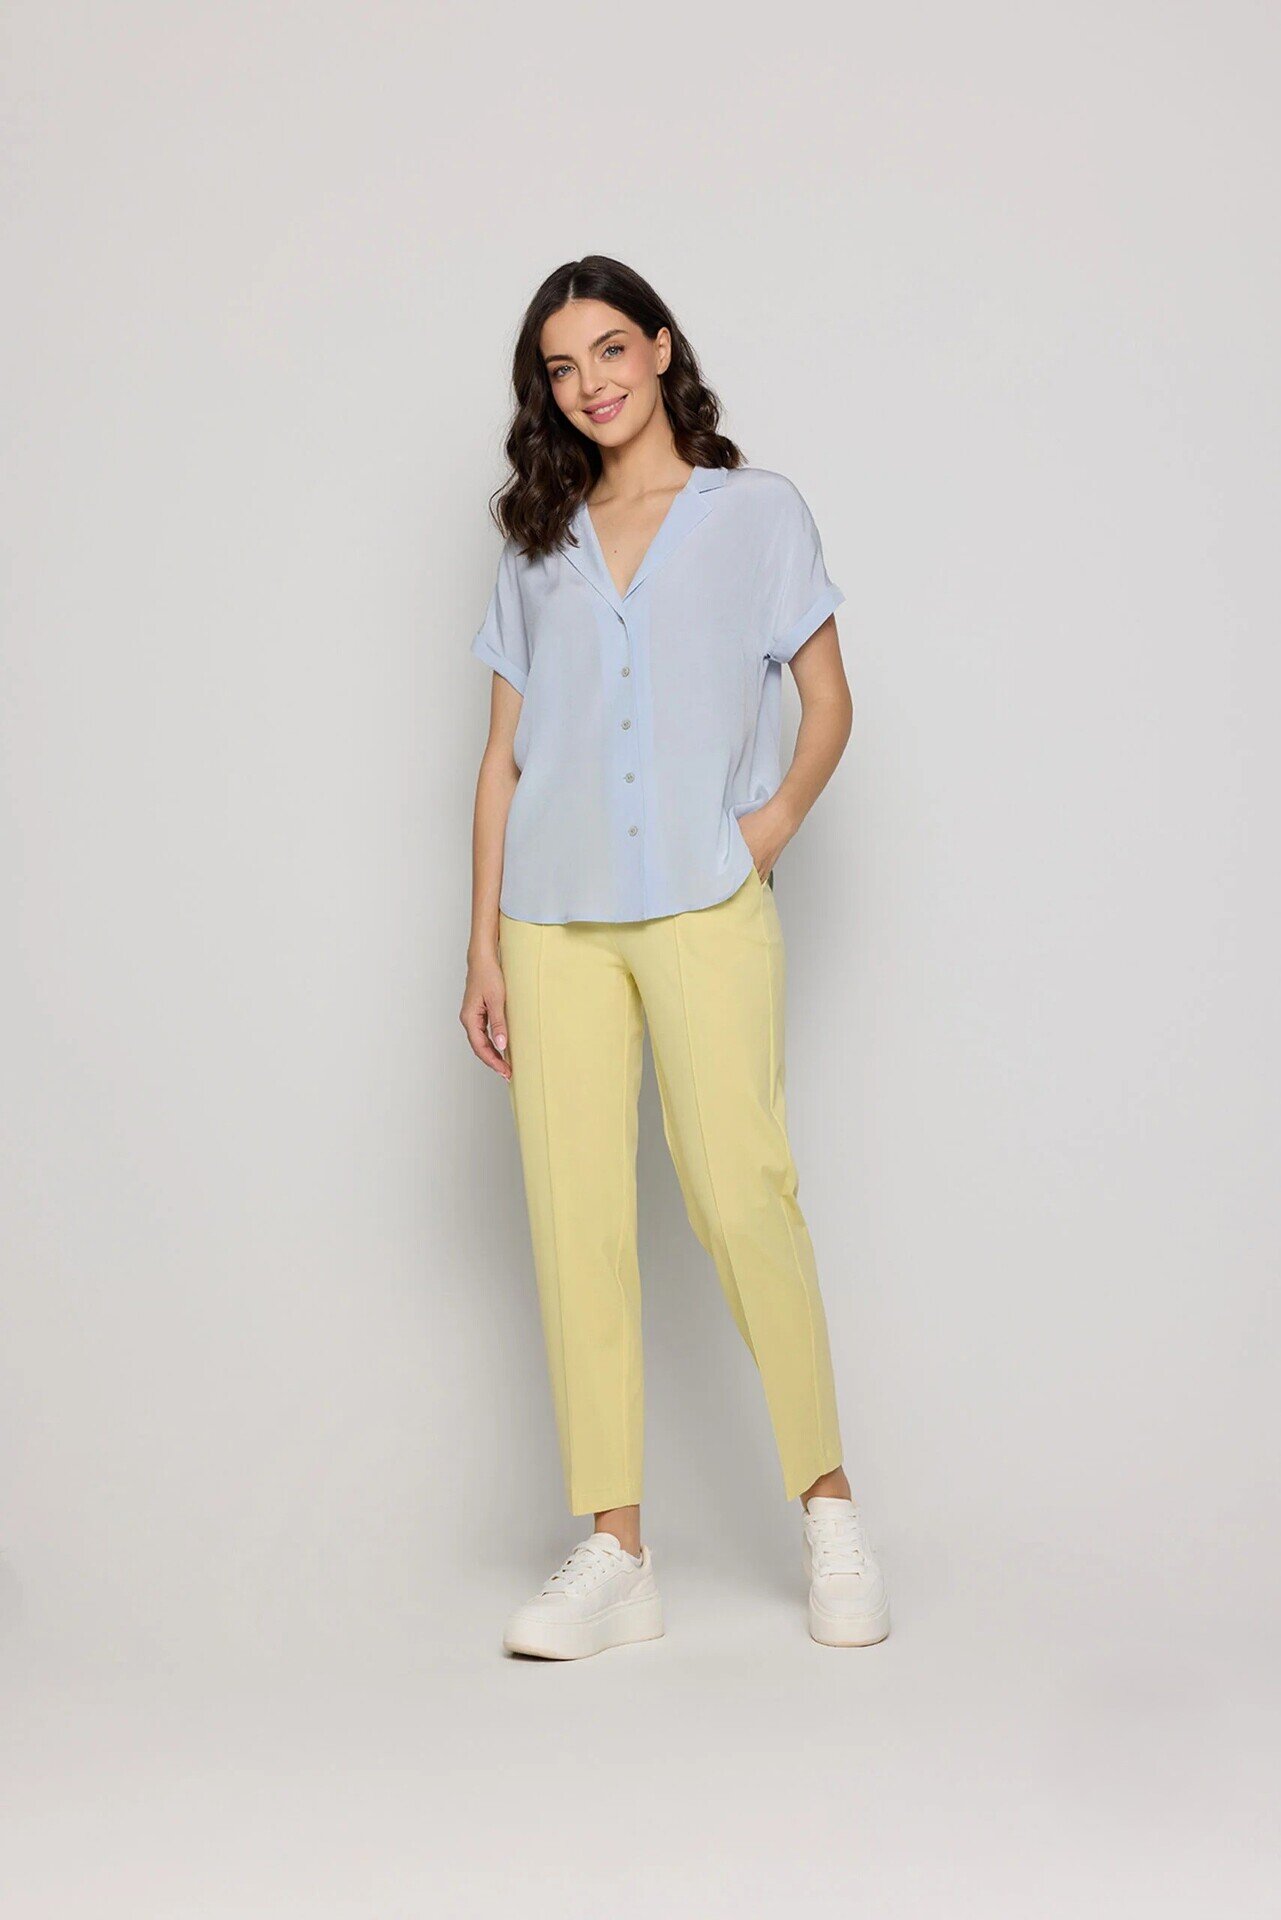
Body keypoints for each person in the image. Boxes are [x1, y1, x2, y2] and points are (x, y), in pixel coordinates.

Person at [461, 255, 889, 1658]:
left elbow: (826, 701)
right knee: (573, 1219)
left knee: (742, 1193)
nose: (588, 383)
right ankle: (615, 1551)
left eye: (607, 350)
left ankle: (828, 1510)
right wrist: (482, 944)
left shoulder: (755, 512)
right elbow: (502, 754)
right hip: (552, 920)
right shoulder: (538, 540)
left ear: (658, 346)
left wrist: (761, 831)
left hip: (705, 902)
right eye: (560, 368)